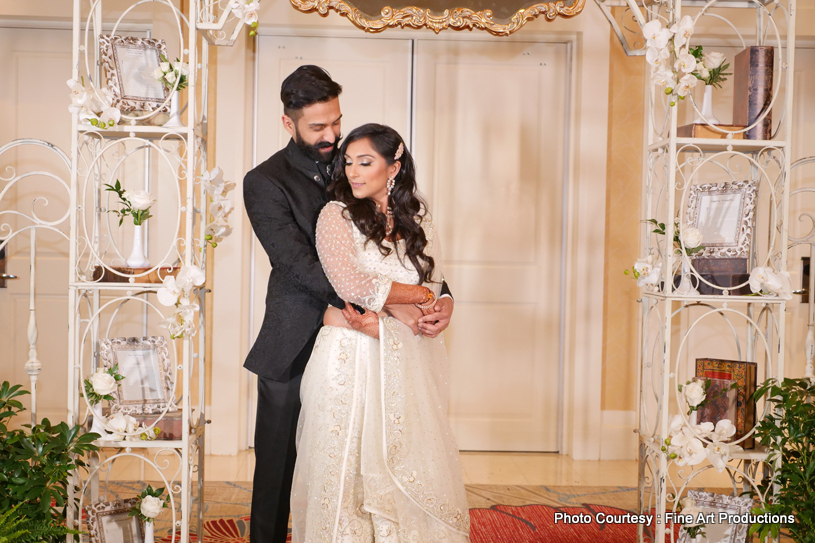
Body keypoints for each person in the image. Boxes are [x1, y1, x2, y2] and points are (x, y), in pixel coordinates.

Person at [242, 66, 456, 543]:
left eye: (335, 121)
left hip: (379, 340)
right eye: (318, 126)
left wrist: (440, 298)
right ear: (288, 123)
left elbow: (409, 248)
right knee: (279, 464)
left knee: (373, 455)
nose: (331, 135)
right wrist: (390, 304)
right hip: (297, 334)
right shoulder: (264, 182)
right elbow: (298, 263)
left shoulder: (360, 156)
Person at [290, 124, 470, 542]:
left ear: (394, 166)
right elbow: (352, 285)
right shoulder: (335, 215)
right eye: (348, 162)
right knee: (347, 464)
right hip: (347, 358)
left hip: (403, 359)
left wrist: (443, 307)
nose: (353, 172)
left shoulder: (417, 216)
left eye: (365, 162)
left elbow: (438, 283)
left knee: (404, 456)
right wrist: (415, 301)